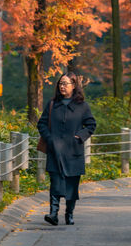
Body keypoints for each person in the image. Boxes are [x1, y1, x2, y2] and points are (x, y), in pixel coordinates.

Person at [37, 73, 96, 226]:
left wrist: (79, 137)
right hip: (55, 150)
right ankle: (53, 214)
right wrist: (49, 138)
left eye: (66, 83)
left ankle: (69, 214)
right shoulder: (52, 104)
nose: (62, 86)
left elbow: (91, 125)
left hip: (73, 152)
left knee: (71, 185)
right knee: (55, 182)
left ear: (74, 85)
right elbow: (41, 124)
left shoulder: (82, 106)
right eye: (60, 83)